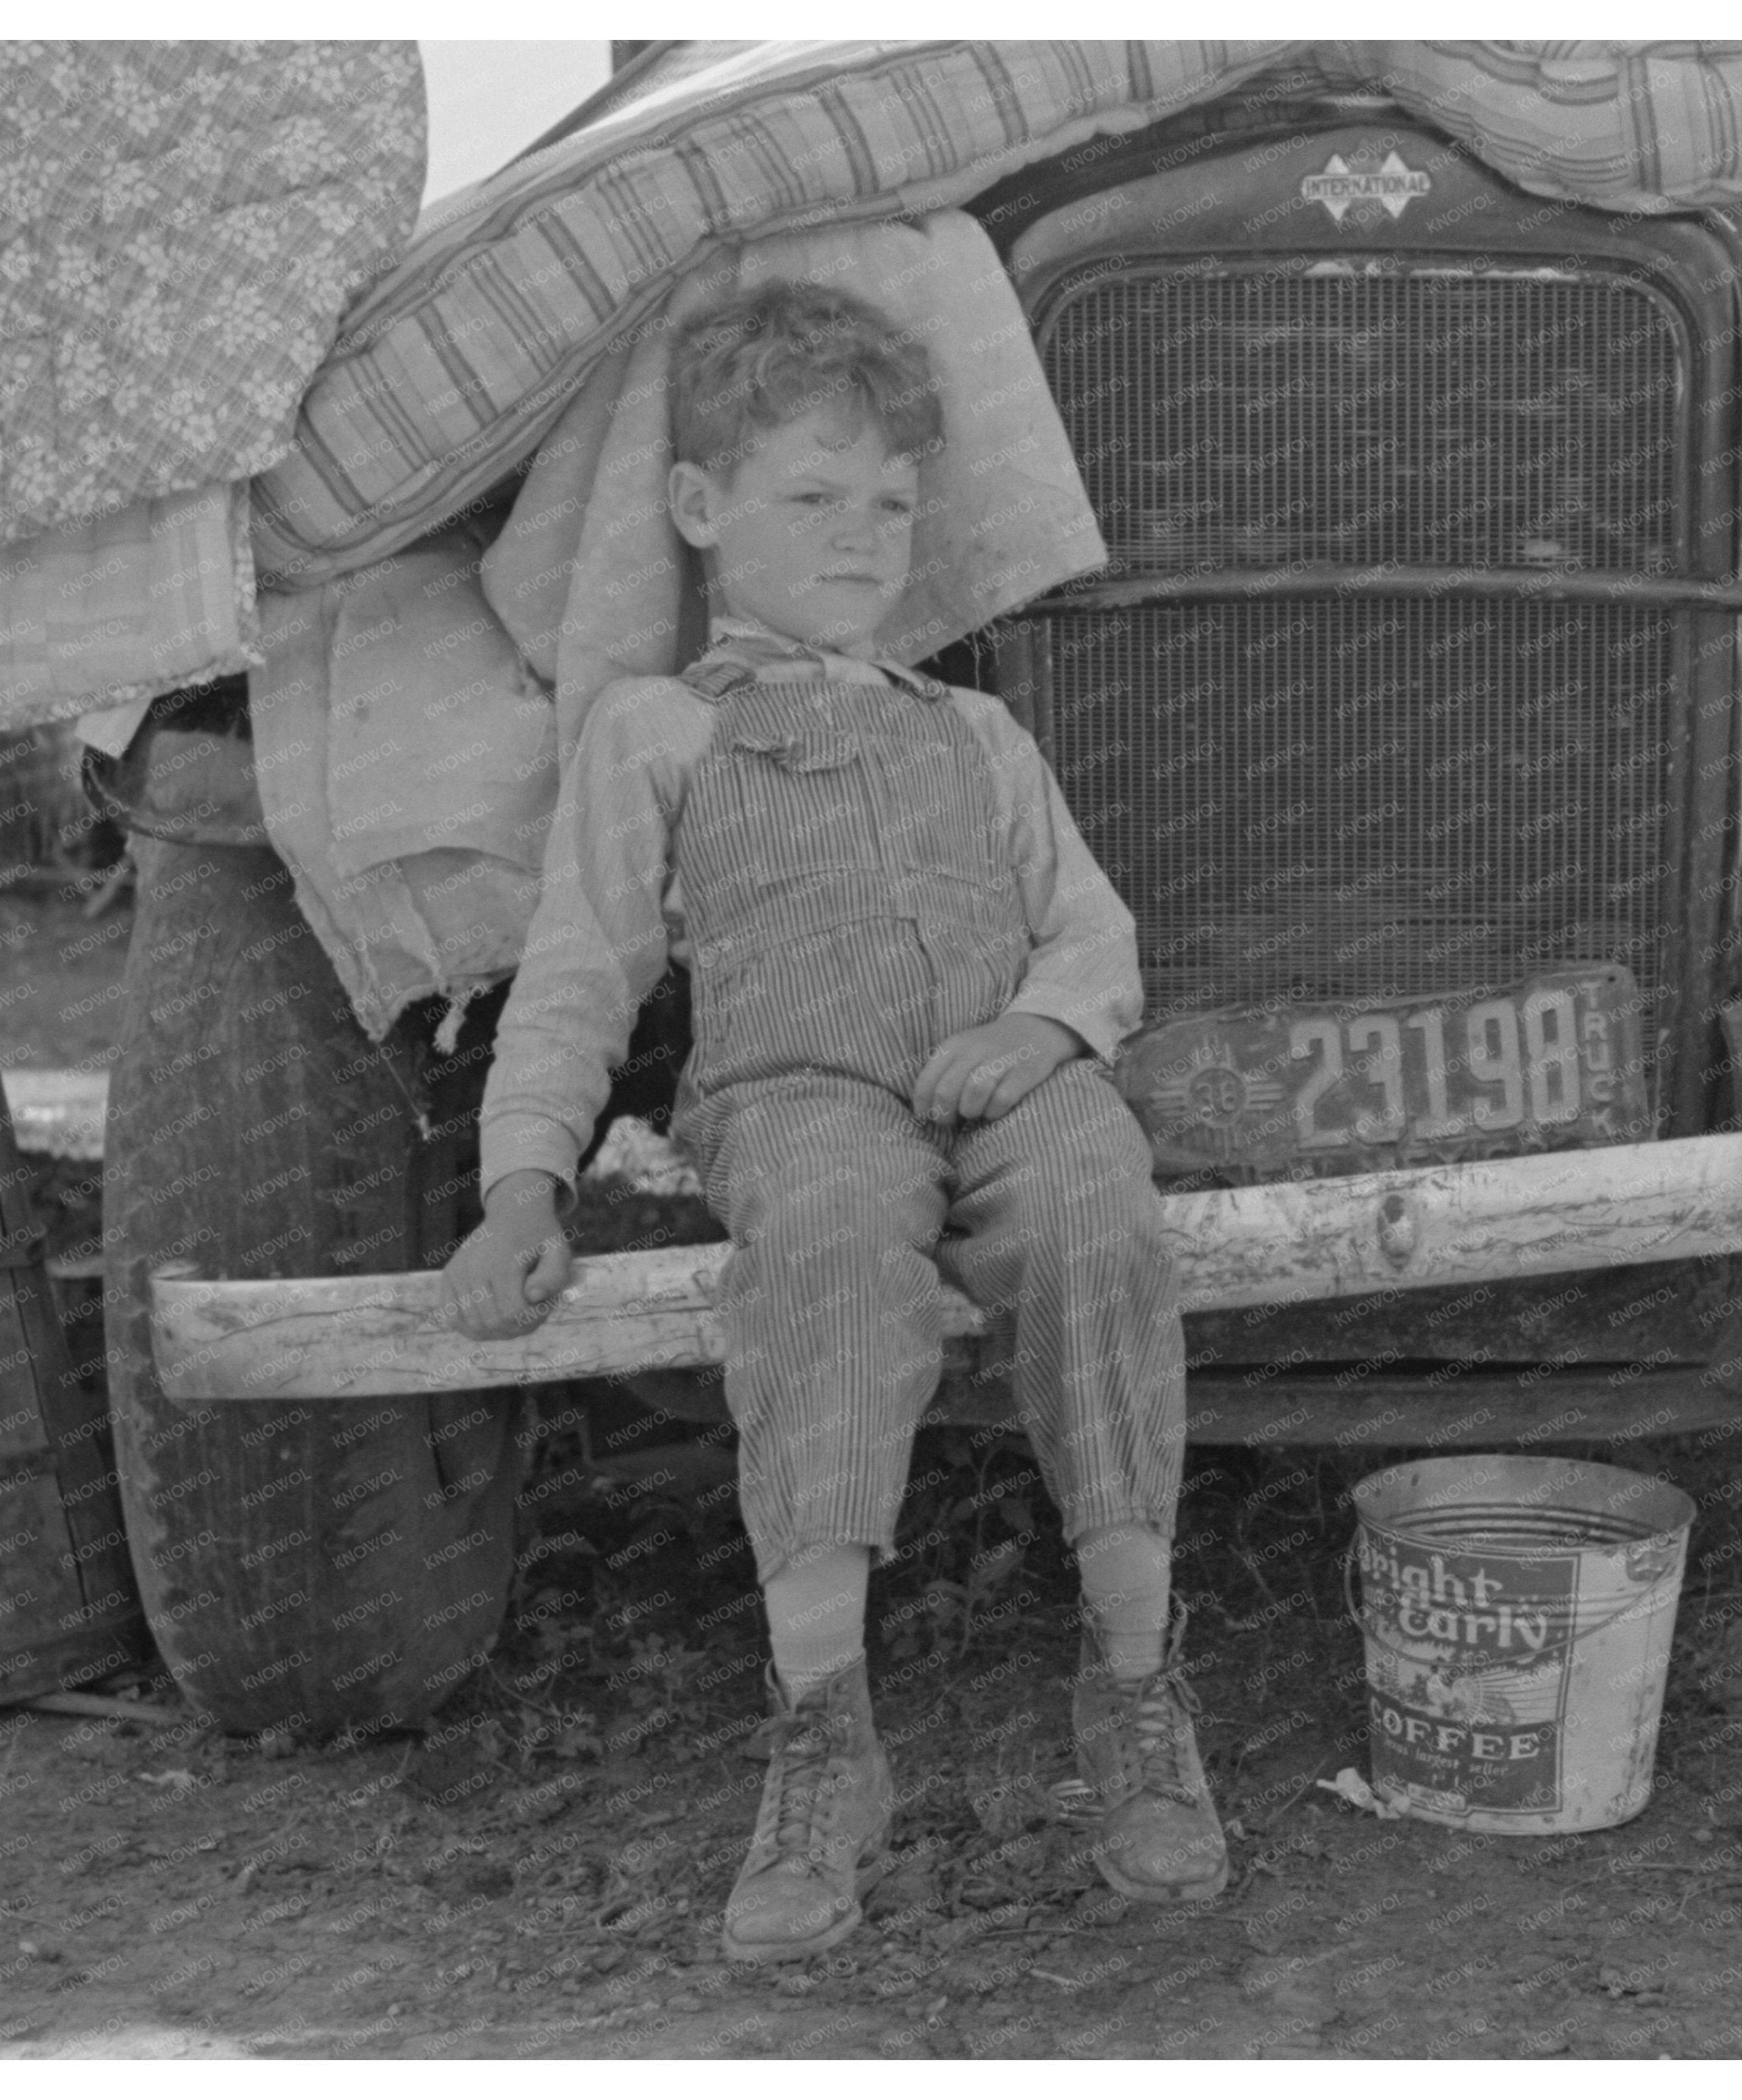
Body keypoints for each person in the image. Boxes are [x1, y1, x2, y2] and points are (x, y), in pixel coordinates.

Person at [442, 280, 1223, 1964]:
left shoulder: (979, 733)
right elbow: (576, 978)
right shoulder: (655, 730)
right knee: (823, 1235)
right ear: (700, 508)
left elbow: (1092, 936)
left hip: (1012, 1086)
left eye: (890, 501)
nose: (863, 537)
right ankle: (822, 1739)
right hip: (795, 1095)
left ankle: (1139, 1689)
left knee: (1098, 1193)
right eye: (812, 496)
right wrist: (522, 1186)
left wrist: (1033, 1027)